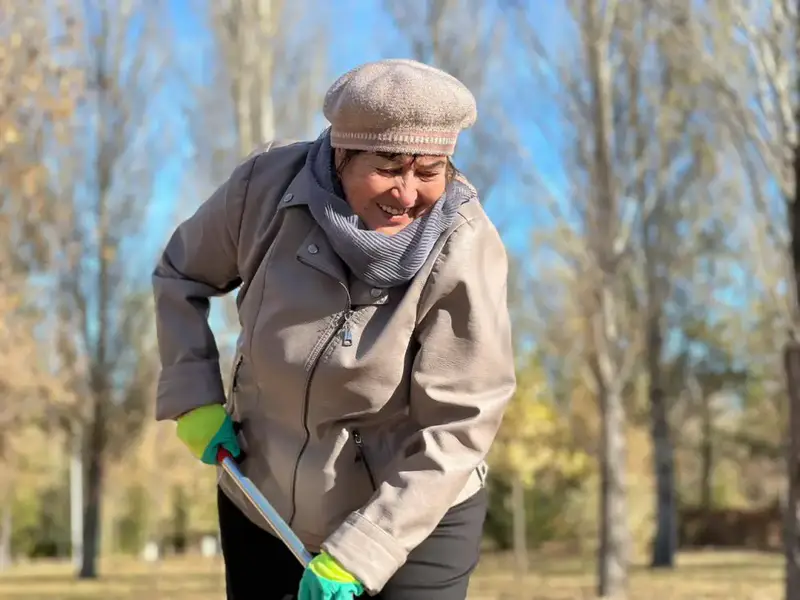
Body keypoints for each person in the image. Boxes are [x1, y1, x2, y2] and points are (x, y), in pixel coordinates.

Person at [152, 58, 516, 600]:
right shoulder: (264, 189)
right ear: (341, 152)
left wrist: (365, 550)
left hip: (412, 517)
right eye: (389, 167)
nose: (408, 193)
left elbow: (460, 422)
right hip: (264, 499)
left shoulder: (464, 245)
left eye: (429, 170)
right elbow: (180, 273)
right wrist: (192, 392)